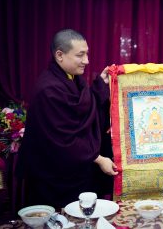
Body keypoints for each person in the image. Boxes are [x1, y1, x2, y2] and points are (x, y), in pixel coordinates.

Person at [16, 29, 118, 209]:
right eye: (80, 55)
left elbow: (85, 107)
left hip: (76, 169)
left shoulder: (72, 78)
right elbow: (62, 139)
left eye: (87, 54)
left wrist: (100, 85)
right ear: (60, 55)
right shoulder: (48, 90)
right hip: (53, 174)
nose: (86, 60)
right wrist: (99, 159)